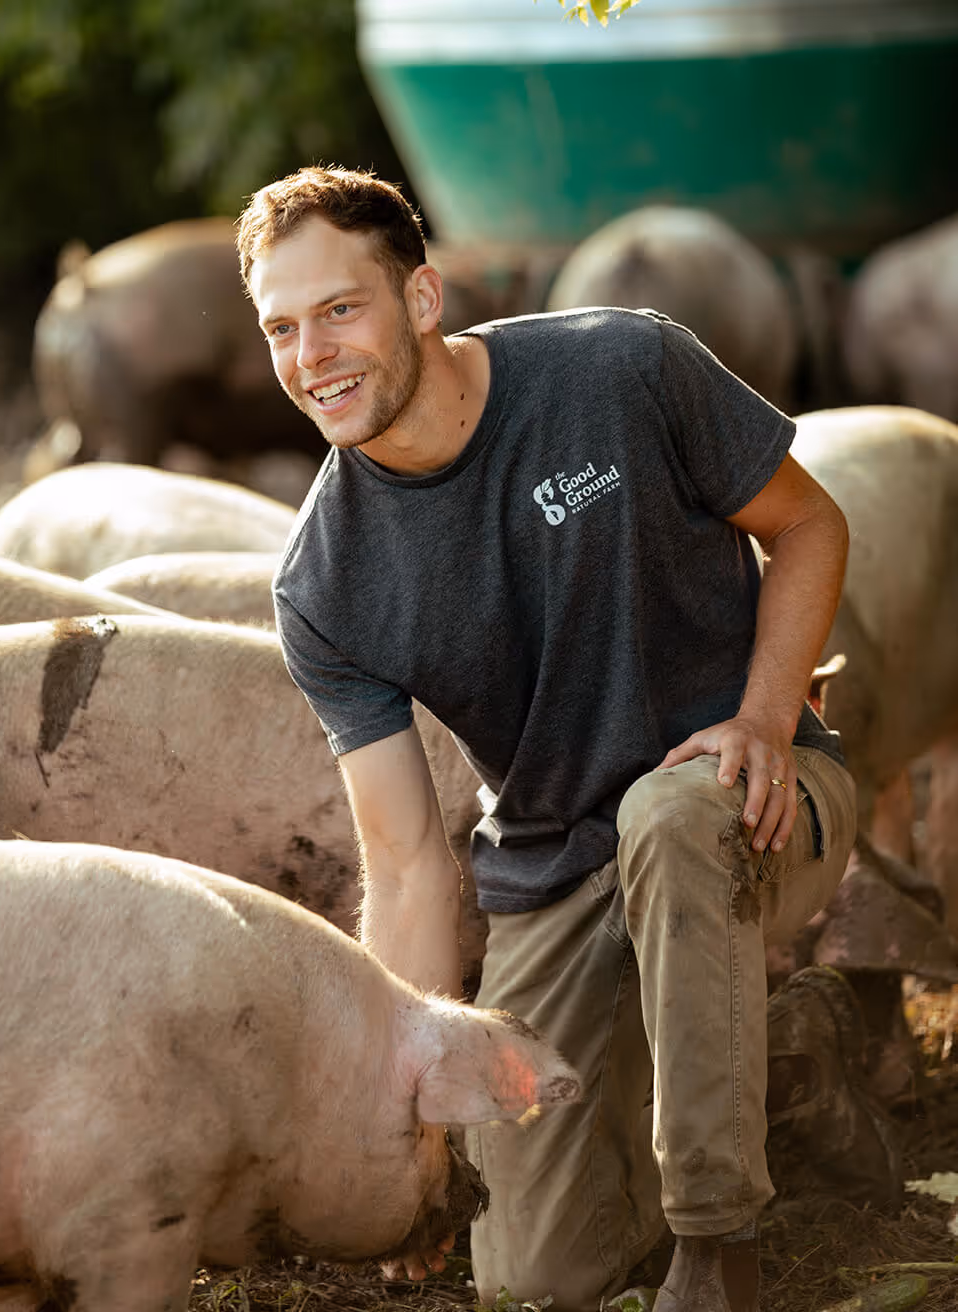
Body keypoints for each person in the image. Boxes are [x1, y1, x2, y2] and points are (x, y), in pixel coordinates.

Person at [236, 166, 895, 1312]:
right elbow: (402, 863)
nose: (314, 355)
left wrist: (767, 713)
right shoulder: (323, 583)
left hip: (751, 796)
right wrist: (412, 1114)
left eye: (342, 309)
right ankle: (782, 1064)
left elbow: (809, 523)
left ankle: (716, 1241)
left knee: (671, 813)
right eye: (283, 328)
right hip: (555, 864)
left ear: (423, 300)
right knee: (535, 1277)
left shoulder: (618, 367)